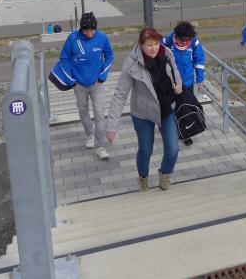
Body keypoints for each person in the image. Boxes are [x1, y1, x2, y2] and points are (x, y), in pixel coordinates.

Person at [106, 27, 183, 191]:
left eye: (156, 43)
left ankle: (165, 174)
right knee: (145, 151)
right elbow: (120, 94)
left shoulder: (167, 53)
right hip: (143, 114)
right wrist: (111, 126)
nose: (153, 48)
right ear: (141, 44)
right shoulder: (132, 63)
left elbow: (175, 72)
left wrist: (179, 85)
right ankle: (143, 177)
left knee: (173, 150)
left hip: (166, 110)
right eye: (149, 45)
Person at [56, 11, 114, 160]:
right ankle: (89, 134)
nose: (89, 34)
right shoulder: (73, 38)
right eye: (86, 31)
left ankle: (100, 146)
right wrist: (71, 79)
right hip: (79, 84)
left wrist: (103, 75)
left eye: (92, 31)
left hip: (97, 83)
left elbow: (109, 56)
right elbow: (63, 58)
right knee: (83, 111)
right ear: (81, 29)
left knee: (99, 113)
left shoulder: (102, 37)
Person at [163, 21, 206, 146]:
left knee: (186, 107)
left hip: (187, 83)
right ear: (176, 36)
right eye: (182, 41)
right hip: (171, 82)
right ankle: (171, 130)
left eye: (187, 41)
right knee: (171, 107)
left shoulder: (194, 43)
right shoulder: (168, 41)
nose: (184, 43)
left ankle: (186, 133)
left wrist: (200, 80)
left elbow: (199, 61)